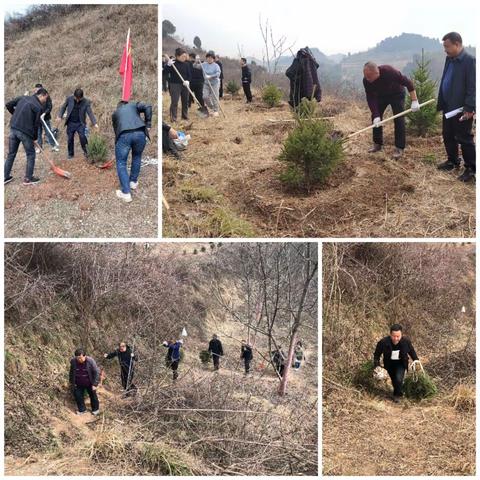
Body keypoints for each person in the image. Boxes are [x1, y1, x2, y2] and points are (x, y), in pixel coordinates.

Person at [436, 32, 476, 182]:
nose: (445, 49)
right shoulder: (450, 59)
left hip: (461, 109)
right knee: (447, 134)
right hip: (448, 106)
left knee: (464, 138)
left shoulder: (469, 61)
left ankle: (471, 168)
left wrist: (470, 108)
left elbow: (473, 87)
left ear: (457, 44)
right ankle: (452, 161)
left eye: (447, 46)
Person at [363, 62, 419, 159]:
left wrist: (414, 101)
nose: (367, 79)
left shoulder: (389, 71)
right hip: (380, 96)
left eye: (369, 77)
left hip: (397, 94)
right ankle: (377, 143)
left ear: (377, 73)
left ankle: (399, 147)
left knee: (399, 118)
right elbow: (370, 98)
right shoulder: (366, 81)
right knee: (375, 118)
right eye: (365, 76)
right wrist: (376, 114)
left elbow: (408, 83)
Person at [4, 88, 49, 185]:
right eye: (45, 98)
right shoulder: (38, 107)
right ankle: (28, 179)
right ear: (41, 95)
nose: (45, 100)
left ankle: (5, 176)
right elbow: (36, 124)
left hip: (13, 129)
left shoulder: (23, 98)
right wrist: (35, 138)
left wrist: (15, 114)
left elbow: (8, 105)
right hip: (25, 133)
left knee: (11, 154)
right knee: (31, 154)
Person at [111, 99, 152, 202]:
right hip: (140, 134)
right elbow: (147, 106)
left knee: (121, 162)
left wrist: (118, 145)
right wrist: (148, 124)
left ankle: (126, 193)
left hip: (124, 135)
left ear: (118, 107)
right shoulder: (134, 105)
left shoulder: (115, 114)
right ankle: (133, 182)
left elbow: (117, 131)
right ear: (126, 104)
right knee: (137, 156)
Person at [373, 324, 419, 403]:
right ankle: (398, 391)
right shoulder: (383, 342)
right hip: (389, 364)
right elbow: (377, 354)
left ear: (401, 335)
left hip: (401, 363)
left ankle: (397, 395)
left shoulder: (406, 341)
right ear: (390, 334)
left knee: (398, 378)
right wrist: (377, 366)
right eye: (394, 336)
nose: (396, 338)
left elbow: (411, 351)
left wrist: (416, 360)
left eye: (398, 336)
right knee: (394, 380)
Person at [57, 88, 98, 160]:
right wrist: (60, 116)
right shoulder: (69, 99)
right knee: (70, 138)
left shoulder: (86, 102)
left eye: (80, 99)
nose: (78, 100)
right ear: (74, 96)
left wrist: (95, 123)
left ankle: (87, 153)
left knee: (83, 137)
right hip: (70, 123)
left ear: (82, 97)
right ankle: (70, 154)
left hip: (80, 123)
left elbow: (90, 113)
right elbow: (63, 107)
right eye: (77, 98)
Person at [69, 348, 100, 415]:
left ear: (84, 356)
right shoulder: (73, 361)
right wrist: (71, 382)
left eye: (80, 358)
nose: (79, 359)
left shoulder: (90, 361)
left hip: (89, 383)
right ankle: (82, 410)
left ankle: (95, 410)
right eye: (77, 358)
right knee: (78, 396)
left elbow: (96, 372)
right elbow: (71, 372)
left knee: (93, 395)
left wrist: (95, 384)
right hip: (78, 383)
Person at [166, 49, 191, 122]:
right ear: (177, 56)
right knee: (175, 101)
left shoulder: (187, 64)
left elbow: (189, 75)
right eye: (182, 56)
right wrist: (168, 65)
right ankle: (173, 118)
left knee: (185, 101)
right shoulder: (173, 64)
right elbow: (165, 72)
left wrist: (188, 81)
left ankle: (185, 116)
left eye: (185, 56)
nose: (184, 58)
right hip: (174, 84)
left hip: (185, 84)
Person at [195, 51, 221, 116]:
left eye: (211, 58)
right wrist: (196, 60)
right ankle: (211, 107)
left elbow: (218, 74)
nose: (209, 59)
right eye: (208, 57)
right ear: (206, 58)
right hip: (206, 83)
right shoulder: (204, 64)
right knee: (205, 97)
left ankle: (216, 110)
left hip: (215, 83)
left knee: (214, 97)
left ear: (213, 58)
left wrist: (211, 76)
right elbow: (195, 66)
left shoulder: (216, 65)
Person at [33, 84, 58, 153]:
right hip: (37, 118)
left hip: (45, 118)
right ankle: (39, 148)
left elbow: (50, 106)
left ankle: (53, 146)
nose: (37, 91)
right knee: (38, 133)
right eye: (36, 89)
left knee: (48, 131)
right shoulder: (33, 97)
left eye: (39, 89)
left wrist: (44, 114)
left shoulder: (46, 96)